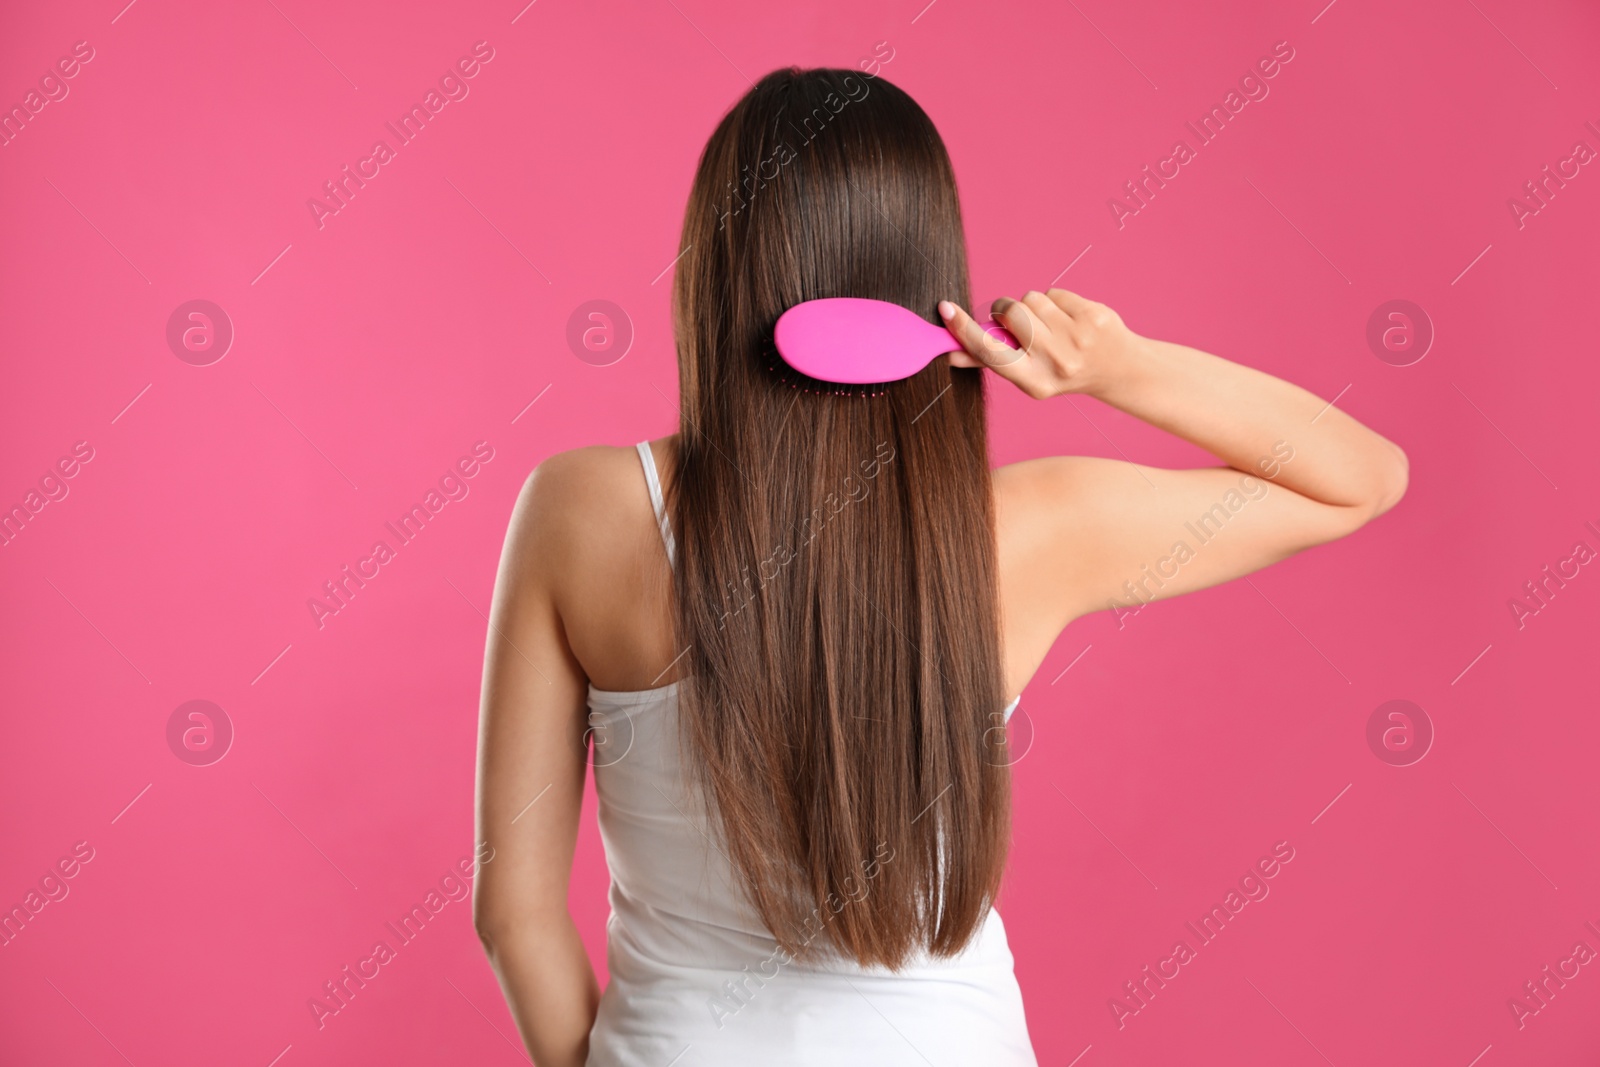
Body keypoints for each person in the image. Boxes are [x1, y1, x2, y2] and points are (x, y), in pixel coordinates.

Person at [471, 67, 1407, 1067]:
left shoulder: (582, 510)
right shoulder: (1031, 530)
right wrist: (1113, 364)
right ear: (931, 274)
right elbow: (1360, 477)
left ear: (715, 269)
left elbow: (513, 916)